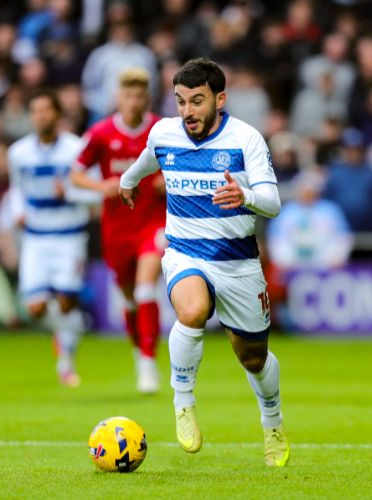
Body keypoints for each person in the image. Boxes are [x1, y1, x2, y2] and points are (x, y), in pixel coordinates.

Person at [119, 58, 289, 467]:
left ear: (220, 99)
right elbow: (148, 159)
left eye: (197, 101)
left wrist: (245, 196)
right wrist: (128, 180)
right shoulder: (164, 133)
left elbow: (273, 203)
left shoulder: (246, 139)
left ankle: (272, 420)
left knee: (253, 358)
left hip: (237, 262)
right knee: (192, 311)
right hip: (184, 252)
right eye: (180, 101)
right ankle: (183, 402)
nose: (187, 111)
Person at [70, 68, 164, 394]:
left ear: (147, 98)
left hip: (153, 222)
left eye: (139, 95)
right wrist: (101, 187)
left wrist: (168, 181)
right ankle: (139, 351)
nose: (133, 102)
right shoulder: (100, 133)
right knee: (129, 297)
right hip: (117, 228)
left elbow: (183, 166)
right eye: (128, 96)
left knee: (146, 286)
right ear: (118, 98)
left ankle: (149, 363)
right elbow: (75, 174)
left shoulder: (161, 130)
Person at [7, 89, 88, 387]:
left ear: (57, 114)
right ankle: (73, 326)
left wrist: (70, 193)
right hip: (36, 237)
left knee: (66, 301)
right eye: (35, 111)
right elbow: (16, 188)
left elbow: (94, 191)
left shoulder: (77, 149)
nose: (40, 116)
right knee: (35, 308)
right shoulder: (18, 153)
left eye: (46, 110)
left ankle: (65, 362)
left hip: (70, 235)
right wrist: (18, 211)